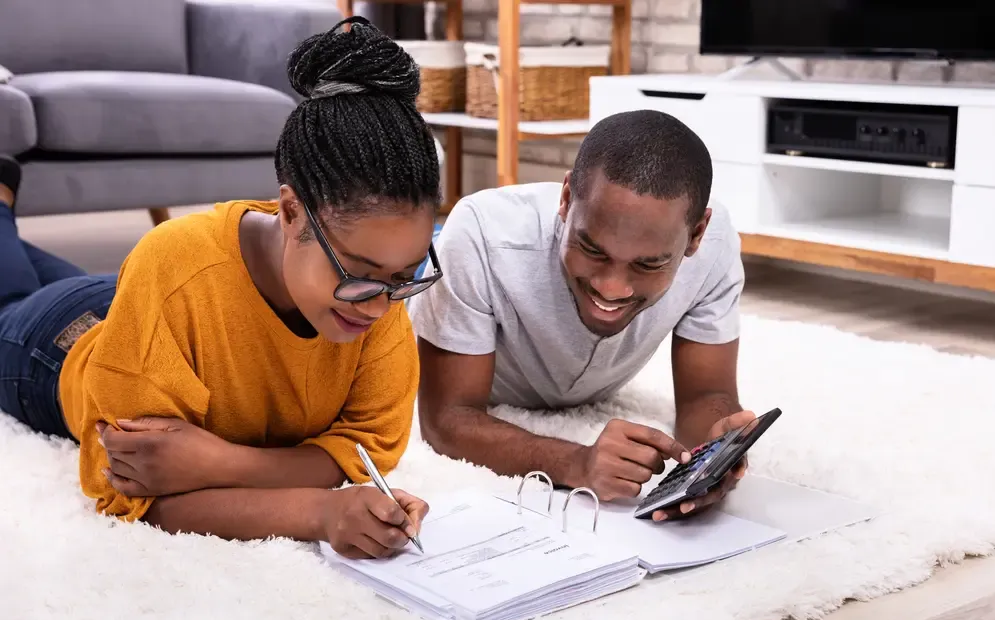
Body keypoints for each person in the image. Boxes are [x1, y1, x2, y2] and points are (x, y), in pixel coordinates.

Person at [0, 18, 441, 559]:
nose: (380, 306)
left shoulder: (376, 288)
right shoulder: (175, 261)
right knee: (11, 302)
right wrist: (317, 511)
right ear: (290, 211)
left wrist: (220, 463)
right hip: (59, 349)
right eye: (360, 273)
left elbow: (362, 448)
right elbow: (135, 493)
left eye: (404, 276)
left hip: (141, 311)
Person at [409, 109, 756, 522]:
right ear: (566, 199)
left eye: (647, 266)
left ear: (696, 234)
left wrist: (709, 456)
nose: (612, 288)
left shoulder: (715, 246)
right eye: (592, 250)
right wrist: (575, 462)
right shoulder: (480, 235)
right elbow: (445, 419)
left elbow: (705, 396)